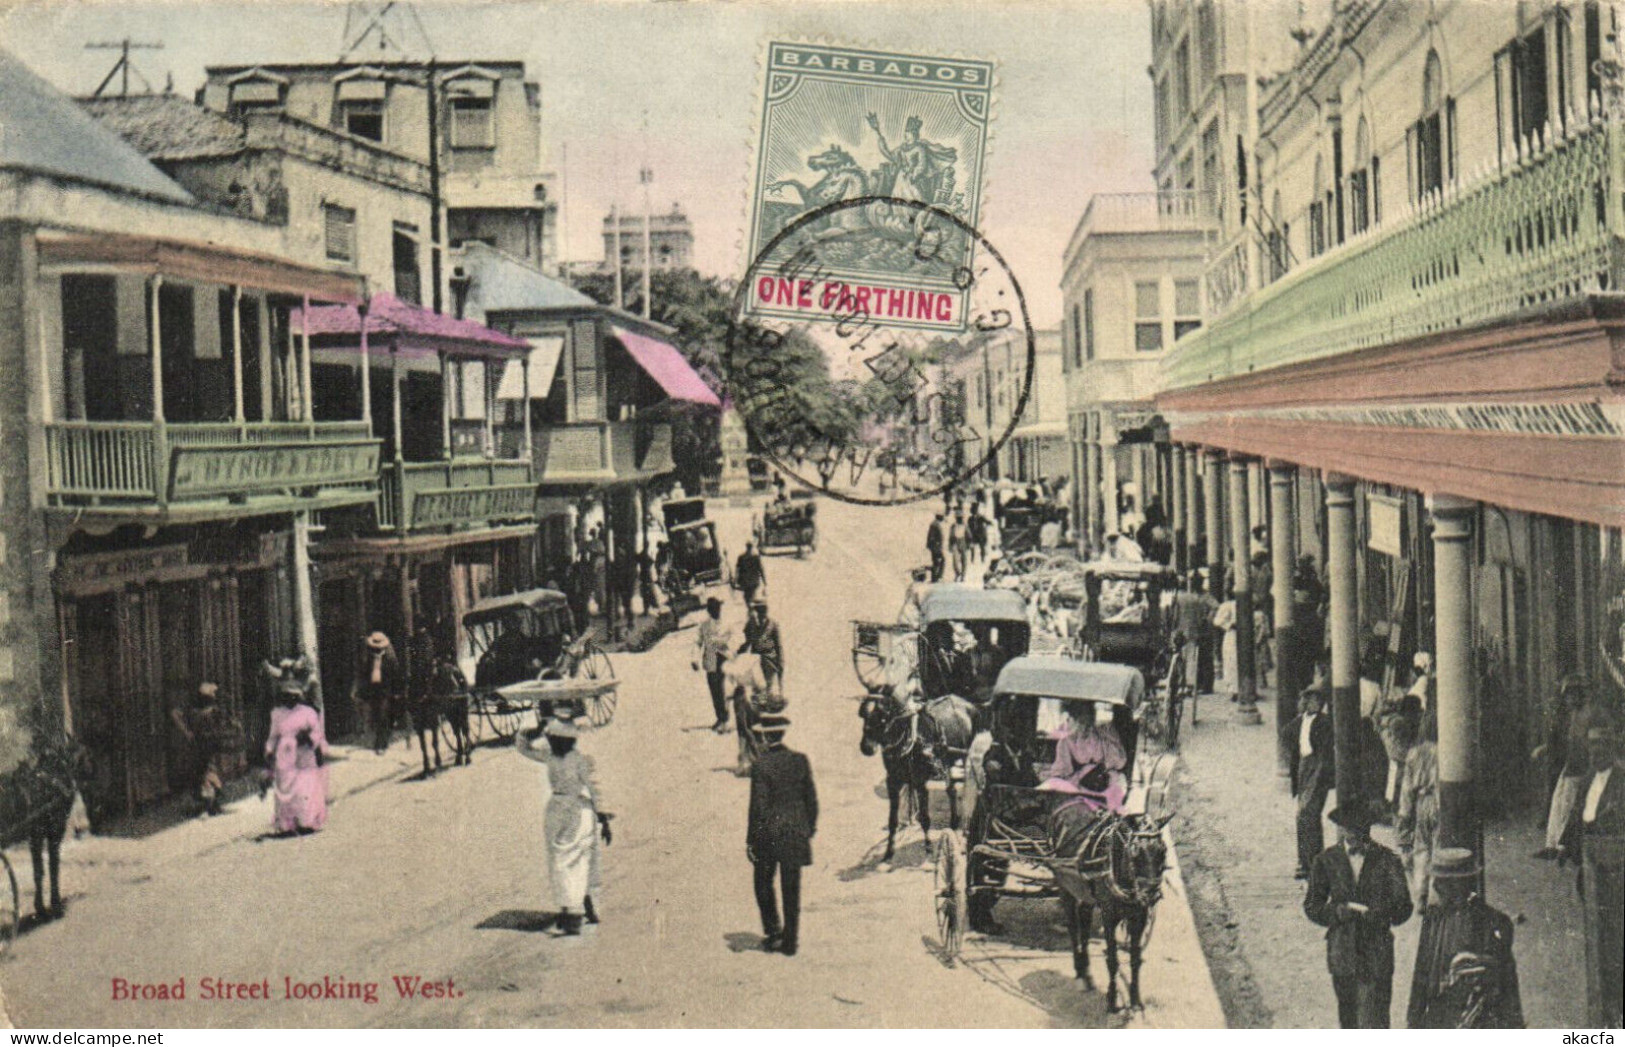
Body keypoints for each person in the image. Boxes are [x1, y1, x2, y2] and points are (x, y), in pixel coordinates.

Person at [1303, 799, 1414, 1028]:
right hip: (1343, 952)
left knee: (1375, 1020)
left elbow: (1404, 907)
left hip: (1376, 951)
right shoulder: (1326, 860)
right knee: (1349, 1019)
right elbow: (1312, 906)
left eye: (1359, 828)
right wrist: (1336, 912)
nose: (1353, 833)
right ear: (1341, 828)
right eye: (1348, 828)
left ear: (1368, 828)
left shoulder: (1387, 860)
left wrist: (1382, 913)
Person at [1406, 847, 1525, 1029]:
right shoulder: (1433, 918)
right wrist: (1413, 1021)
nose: (1436, 887)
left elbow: (1506, 984)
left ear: (1460, 885)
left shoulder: (1494, 922)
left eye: (1442, 882)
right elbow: (1421, 972)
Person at [516, 714, 612, 936]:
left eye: (554, 739)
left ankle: (573, 909)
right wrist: (604, 819)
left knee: (563, 861)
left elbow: (523, 747)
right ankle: (580, 906)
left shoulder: (559, 757)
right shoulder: (568, 758)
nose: (552, 743)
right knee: (578, 859)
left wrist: (533, 732)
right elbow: (596, 789)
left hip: (563, 812)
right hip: (573, 811)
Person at [1557, 717, 1625, 1028]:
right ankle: (1601, 1009)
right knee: (1597, 943)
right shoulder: (1586, 780)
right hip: (1591, 874)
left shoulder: (1622, 782)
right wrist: (1565, 849)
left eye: (1603, 744)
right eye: (1592, 744)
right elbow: (1576, 820)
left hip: (1615, 876)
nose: (1597, 750)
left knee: (1615, 944)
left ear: (1614, 747)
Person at [746, 711, 817, 956]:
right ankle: (791, 942)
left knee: (763, 882)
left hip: (769, 834)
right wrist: (808, 829)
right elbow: (811, 799)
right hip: (796, 832)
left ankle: (774, 931)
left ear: (764, 738)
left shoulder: (761, 765)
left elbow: (758, 807)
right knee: (792, 888)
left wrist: (751, 841)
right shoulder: (800, 760)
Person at [1535, 674, 1607, 859]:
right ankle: (1552, 845)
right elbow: (1569, 741)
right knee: (1558, 803)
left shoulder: (1591, 713)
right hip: (1572, 765)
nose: (1568, 700)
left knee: (1568, 807)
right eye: (1567, 696)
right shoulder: (1575, 714)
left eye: (1572, 695)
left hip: (1583, 767)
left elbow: (1593, 745)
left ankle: (1560, 848)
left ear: (1580, 694)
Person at [263, 676, 330, 834]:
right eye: (286, 695)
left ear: (298, 696)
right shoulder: (277, 714)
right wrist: (269, 751)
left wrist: (308, 739)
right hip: (285, 754)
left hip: (304, 753)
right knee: (285, 787)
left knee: (304, 787)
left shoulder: (308, 712)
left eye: (292, 695)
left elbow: (317, 732)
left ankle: (306, 821)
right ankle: (287, 824)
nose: (289, 699)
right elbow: (273, 735)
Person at [1285, 682, 1335, 879]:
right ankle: (1305, 861)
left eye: (1317, 700)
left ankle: (1313, 862)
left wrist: (1320, 772)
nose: (1314, 703)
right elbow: (1287, 734)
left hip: (1317, 769)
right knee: (1303, 816)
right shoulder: (1300, 721)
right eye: (1310, 699)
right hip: (1303, 768)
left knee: (1308, 814)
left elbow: (1325, 751)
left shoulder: (1324, 723)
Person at [1038, 706, 1128, 814]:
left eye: (1087, 718)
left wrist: (1103, 767)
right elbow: (1061, 771)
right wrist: (1048, 775)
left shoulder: (1105, 732)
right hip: (1081, 785)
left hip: (1108, 782)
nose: (1084, 723)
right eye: (1069, 720)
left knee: (1115, 798)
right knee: (1052, 784)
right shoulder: (1066, 742)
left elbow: (1119, 762)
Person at [170, 682, 241, 817]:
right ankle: (209, 805)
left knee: (205, 772)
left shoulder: (194, 711)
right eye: (212, 695)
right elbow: (229, 723)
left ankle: (209, 803)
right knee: (206, 772)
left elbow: (175, 714)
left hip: (201, 744)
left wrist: (187, 732)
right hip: (204, 744)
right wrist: (187, 732)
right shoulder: (207, 712)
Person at [1394, 697, 1439, 906]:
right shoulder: (1445, 753)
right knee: (1438, 847)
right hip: (1440, 802)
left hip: (1421, 802)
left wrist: (1404, 814)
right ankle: (1435, 896)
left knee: (1421, 849)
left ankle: (1420, 895)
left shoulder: (1414, 754)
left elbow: (1406, 790)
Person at [354, 631, 402, 755]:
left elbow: (396, 675)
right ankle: (381, 740)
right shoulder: (369, 658)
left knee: (383, 716)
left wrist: (397, 691)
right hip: (373, 690)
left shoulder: (390, 658)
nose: (376, 650)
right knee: (376, 716)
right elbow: (364, 674)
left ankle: (380, 744)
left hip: (386, 691)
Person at [406, 624, 444, 777]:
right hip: (419, 677)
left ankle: (434, 756)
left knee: (435, 685)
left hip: (427, 673)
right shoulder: (415, 641)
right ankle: (427, 760)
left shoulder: (427, 640)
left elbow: (429, 659)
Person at [1172, 570, 1217, 696]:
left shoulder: (1203, 596)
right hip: (1194, 631)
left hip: (1198, 631)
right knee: (1191, 658)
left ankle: (1202, 685)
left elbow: (1215, 607)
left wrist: (1208, 620)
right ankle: (1191, 684)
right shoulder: (1193, 597)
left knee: (1201, 659)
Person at [693, 597, 734, 733]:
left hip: (725, 658)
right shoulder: (704, 625)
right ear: (709, 611)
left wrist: (722, 642)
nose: (717, 612)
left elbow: (734, 639)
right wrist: (694, 659)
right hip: (711, 660)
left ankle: (726, 719)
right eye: (713, 610)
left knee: (725, 689)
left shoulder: (727, 623)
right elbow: (697, 642)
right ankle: (721, 718)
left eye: (718, 609)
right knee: (714, 690)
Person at [739, 600, 784, 698]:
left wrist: (780, 662)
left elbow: (778, 645)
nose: (762, 612)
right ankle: (758, 702)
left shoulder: (773, 624)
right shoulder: (751, 623)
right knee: (756, 683)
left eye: (764, 609)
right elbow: (747, 639)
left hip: (769, 658)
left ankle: (766, 700)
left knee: (768, 683)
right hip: (756, 657)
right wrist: (740, 651)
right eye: (760, 610)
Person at [1212, 591, 1238, 700]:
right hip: (1232, 635)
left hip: (1246, 635)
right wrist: (1229, 625)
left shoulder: (1247, 602)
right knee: (1231, 662)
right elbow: (1217, 621)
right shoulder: (1227, 605)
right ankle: (1234, 690)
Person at [735, 540, 767, 608]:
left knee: (747, 597)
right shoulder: (756, 557)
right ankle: (751, 609)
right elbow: (761, 569)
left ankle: (750, 609)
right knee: (752, 596)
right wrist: (764, 581)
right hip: (754, 581)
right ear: (751, 547)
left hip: (745, 582)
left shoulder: (741, 557)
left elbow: (738, 569)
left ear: (746, 547)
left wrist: (736, 581)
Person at [926, 512, 946, 583]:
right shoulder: (935, 525)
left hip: (935, 546)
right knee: (939, 561)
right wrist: (936, 544)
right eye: (942, 517)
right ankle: (936, 577)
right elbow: (932, 536)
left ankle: (936, 576)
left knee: (938, 561)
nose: (943, 518)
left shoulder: (935, 524)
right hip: (935, 546)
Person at [949, 514, 968, 582]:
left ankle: (963, 575)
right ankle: (957, 573)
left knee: (964, 560)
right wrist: (950, 545)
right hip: (955, 543)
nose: (960, 519)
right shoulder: (953, 526)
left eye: (961, 518)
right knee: (955, 561)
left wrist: (969, 543)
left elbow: (969, 534)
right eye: (958, 518)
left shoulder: (965, 525)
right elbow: (950, 536)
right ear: (956, 518)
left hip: (962, 542)